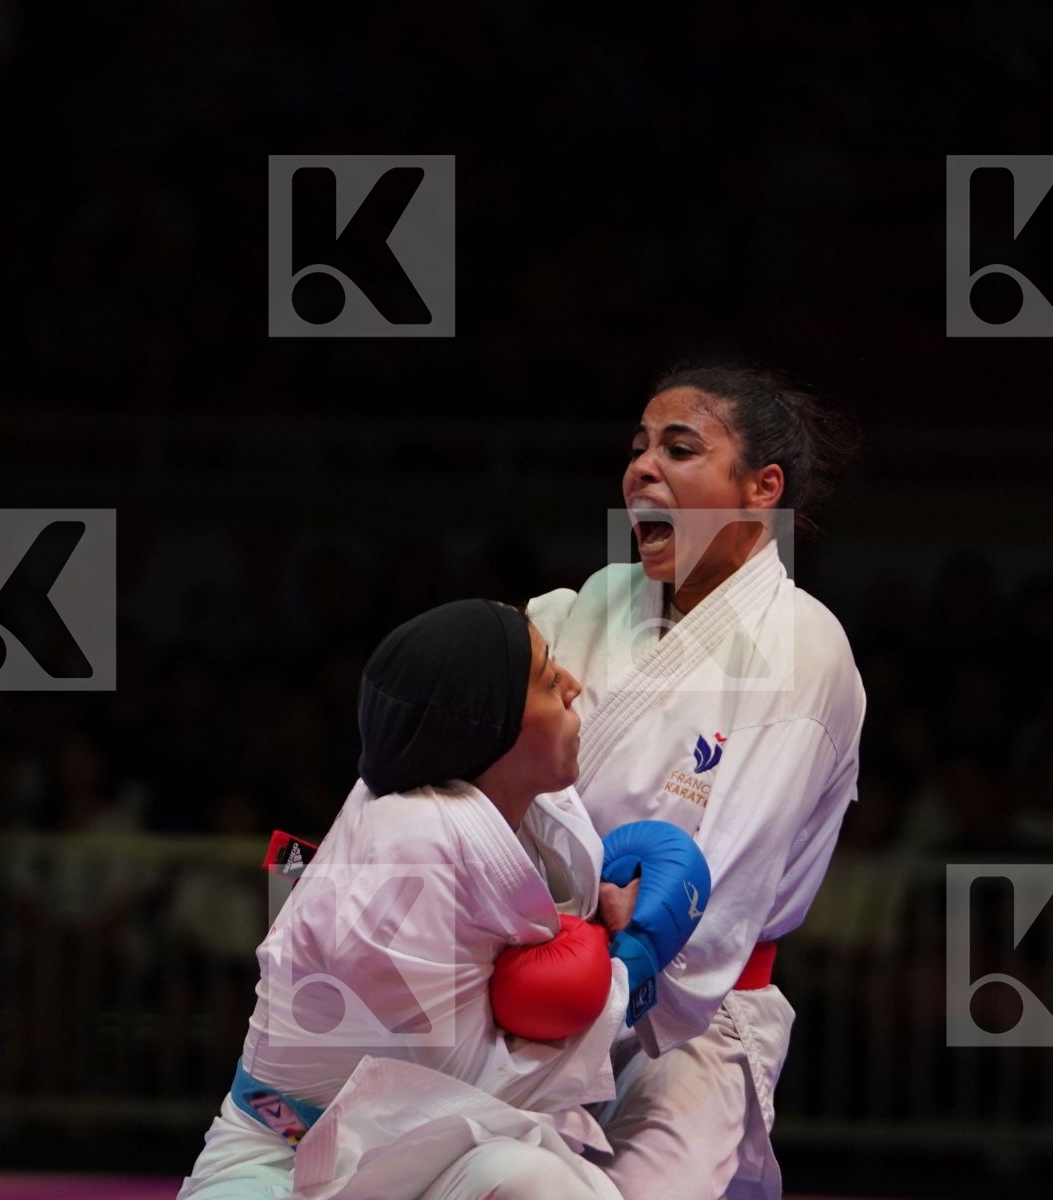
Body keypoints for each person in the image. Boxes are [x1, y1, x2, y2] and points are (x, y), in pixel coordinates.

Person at [178, 598, 709, 1200]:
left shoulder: (536, 809)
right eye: (545, 677)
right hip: (278, 1163)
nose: (572, 685)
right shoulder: (409, 848)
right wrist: (632, 962)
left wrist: (603, 930)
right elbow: (467, 1092)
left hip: (401, 1153)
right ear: (491, 725)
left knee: (536, 1181)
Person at [527, 364, 866, 1200]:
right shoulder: (605, 598)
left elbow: (718, 879)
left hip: (692, 1021)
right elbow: (518, 781)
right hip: (542, 986)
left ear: (761, 489)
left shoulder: (800, 644)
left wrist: (616, 936)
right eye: (638, 447)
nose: (642, 468)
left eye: (679, 449)